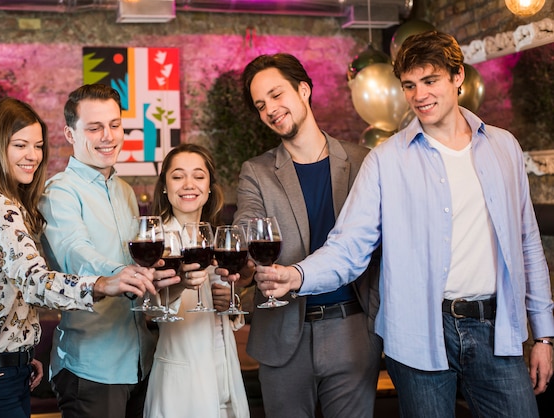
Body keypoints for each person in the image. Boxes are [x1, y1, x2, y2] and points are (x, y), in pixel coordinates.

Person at [254, 32, 554, 418]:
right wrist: (297, 275)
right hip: (418, 334)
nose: (419, 95)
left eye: (430, 81)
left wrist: (543, 334)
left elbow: (528, 243)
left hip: (497, 329)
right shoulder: (386, 160)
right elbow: (349, 246)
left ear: (457, 76)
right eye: (410, 85)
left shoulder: (504, 147)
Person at [0, 97, 159, 418]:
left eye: (37, 145)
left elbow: (11, 289)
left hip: (3, 369)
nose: (32, 156)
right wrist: (106, 283)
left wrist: (18, 353)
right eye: (20, 145)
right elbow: (35, 282)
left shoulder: (2, 202)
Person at [218, 53, 382, 418]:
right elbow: (246, 225)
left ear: (304, 90)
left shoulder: (363, 161)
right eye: (261, 105)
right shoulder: (256, 172)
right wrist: (238, 259)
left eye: (277, 95)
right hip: (282, 333)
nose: (270, 109)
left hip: (353, 330)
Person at [38, 84, 178, 418]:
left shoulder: (125, 191)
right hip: (92, 369)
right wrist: (121, 274)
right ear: (70, 134)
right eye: (94, 127)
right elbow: (76, 253)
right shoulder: (59, 192)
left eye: (115, 125)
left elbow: (138, 258)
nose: (108, 136)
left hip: (140, 360)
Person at [144, 143, 250, 418]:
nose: (188, 184)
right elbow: (150, 309)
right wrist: (179, 284)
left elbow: (226, 309)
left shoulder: (216, 239)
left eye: (199, 176)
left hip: (225, 375)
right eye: (178, 176)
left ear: (210, 187)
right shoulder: (155, 242)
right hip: (181, 382)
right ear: (165, 187)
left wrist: (229, 303)